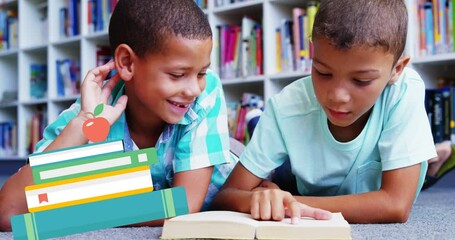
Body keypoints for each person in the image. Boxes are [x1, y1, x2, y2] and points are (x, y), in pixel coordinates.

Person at [0, 0, 237, 231]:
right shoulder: (92, 112)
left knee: (266, 180)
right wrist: (83, 126)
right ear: (126, 63)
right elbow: (7, 212)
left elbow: (183, 204)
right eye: (177, 75)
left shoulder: (205, 93)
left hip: (232, 172)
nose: (194, 89)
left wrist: (72, 212)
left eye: (202, 73)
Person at [212, 0, 437, 224]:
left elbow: (395, 205)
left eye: (361, 80)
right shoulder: (285, 107)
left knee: (280, 184)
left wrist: (290, 202)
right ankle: (257, 122)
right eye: (322, 73)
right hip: (296, 164)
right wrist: (259, 199)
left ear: (396, 70)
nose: (337, 96)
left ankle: (437, 154)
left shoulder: (404, 89)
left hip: (302, 181)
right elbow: (226, 196)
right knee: (274, 176)